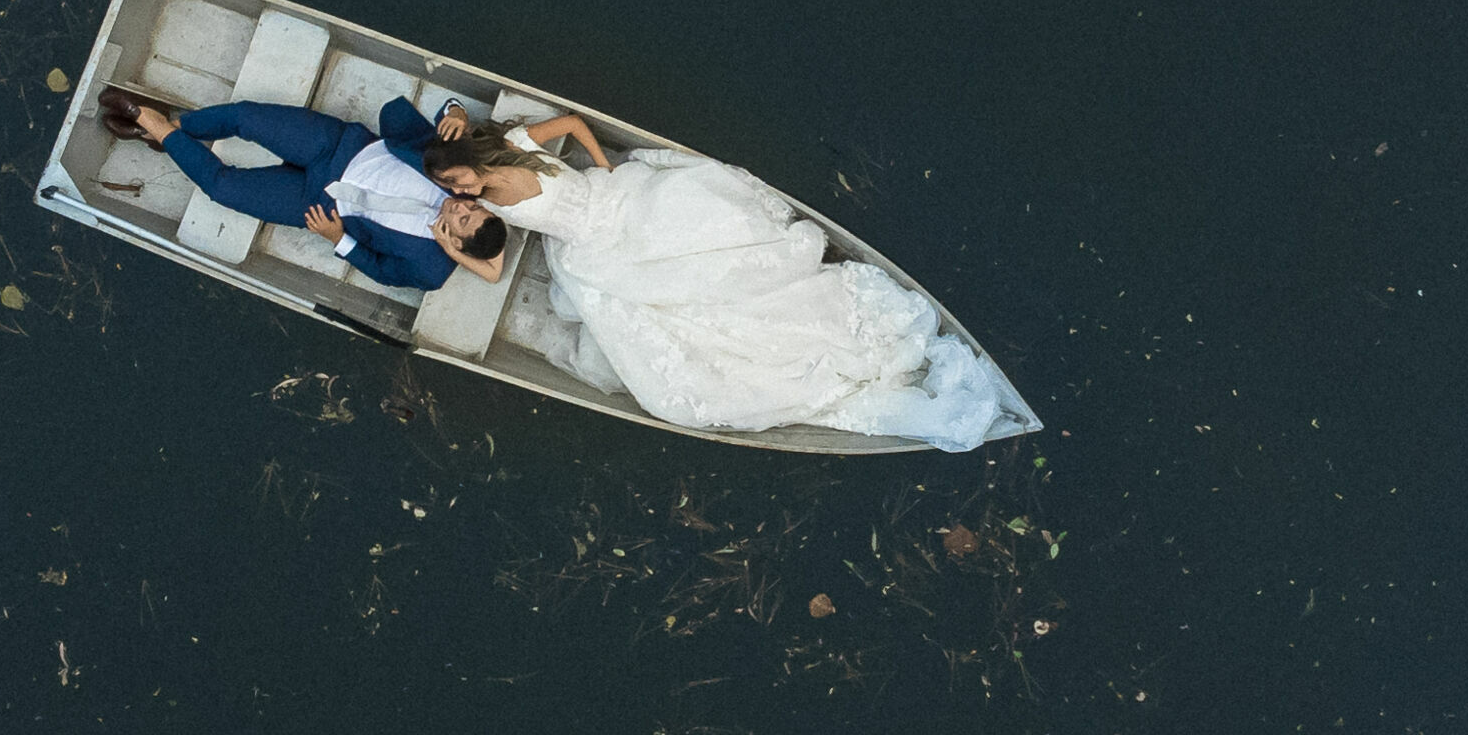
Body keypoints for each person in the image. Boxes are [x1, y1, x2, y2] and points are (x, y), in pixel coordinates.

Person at [420, 115, 1017, 450]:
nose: (459, 197)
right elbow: (573, 125)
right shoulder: (515, 145)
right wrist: (604, 171)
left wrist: (453, 243)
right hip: (612, 205)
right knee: (702, 275)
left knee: (675, 346)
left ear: (471, 165)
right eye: (455, 193)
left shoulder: (494, 189)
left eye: (458, 185)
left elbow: (495, 265)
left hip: (600, 237)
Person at [101, 86, 505, 291]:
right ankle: (171, 129)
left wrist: (338, 239)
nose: (461, 206)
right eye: (474, 208)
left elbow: (383, 271)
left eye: (464, 219)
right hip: (338, 146)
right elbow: (450, 111)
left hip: (319, 207)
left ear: (459, 244)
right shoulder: (467, 181)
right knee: (246, 117)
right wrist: (457, 113)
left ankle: (155, 129)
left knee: (224, 189)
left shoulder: (431, 269)